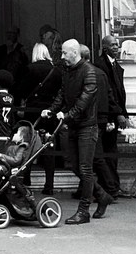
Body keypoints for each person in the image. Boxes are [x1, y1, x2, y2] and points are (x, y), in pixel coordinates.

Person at [41, 39, 112, 224]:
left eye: (65, 53)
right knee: (73, 165)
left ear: (74, 52)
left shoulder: (88, 71)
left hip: (87, 126)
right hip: (74, 124)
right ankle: (102, 195)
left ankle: (84, 210)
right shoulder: (67, 71)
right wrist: (52, 109)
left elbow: (86, 97)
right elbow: (62, 94)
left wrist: (67, 115)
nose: (62, 56)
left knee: (85, 168)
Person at [15, 42, 60, 194]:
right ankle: (49, 185)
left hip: (33, 111)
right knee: (49, 146)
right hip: (50, 112)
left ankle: (26, 179)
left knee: (29, 145)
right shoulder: (55, 70)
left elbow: (21, 89)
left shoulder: (30, 69)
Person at [82, 44, 118, 205]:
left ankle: (110, 188)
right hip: (101, 118)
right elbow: (110, 96)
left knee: (95, 157)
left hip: (93, 119)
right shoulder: (101, 73)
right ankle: (93, 188)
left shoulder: (87, 73)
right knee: (92, 157)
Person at [96, 35, 128, 197]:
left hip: (115, 114)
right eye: (113, 45)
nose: (117, 47)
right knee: (107, 152)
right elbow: (108, 94)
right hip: (107, 116)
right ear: (105, 47)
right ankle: (110, 187)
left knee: (111, 152)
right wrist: (117, 113)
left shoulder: (115, 64)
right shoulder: (101, 65)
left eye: (118, 45)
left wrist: (123, 113)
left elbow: (120, 92)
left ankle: (112, 185)